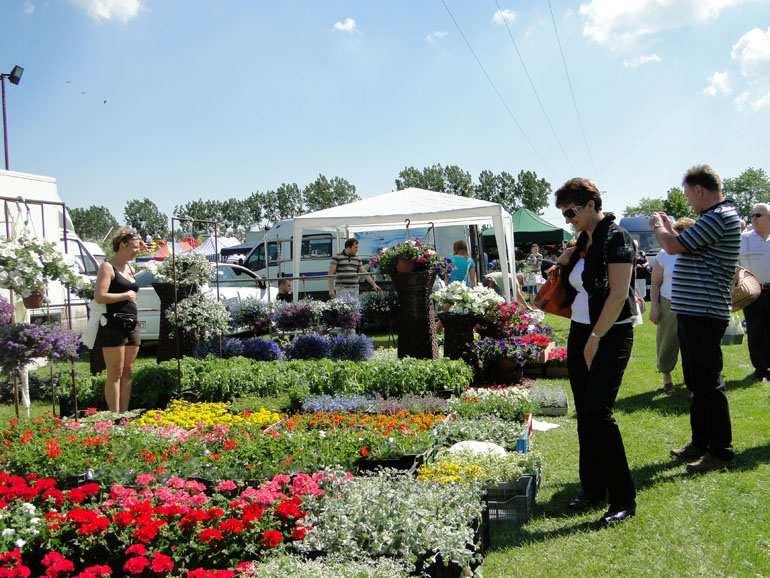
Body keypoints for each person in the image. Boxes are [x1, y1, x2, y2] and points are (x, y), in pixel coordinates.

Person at [555, 178, 638, 526]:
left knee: (599, 414)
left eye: (571, 211)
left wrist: (596, 337)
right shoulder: (585, 241)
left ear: (591, 204)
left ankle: (623, 499)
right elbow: (582, 286)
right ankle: (592, 489)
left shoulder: (616, 237)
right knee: (586, 416)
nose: (568, 218)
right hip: (582, 330)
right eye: (563, 214)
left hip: (610, 333)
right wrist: (565, 262)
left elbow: (619, 294)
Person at [650, 164, 741, 473]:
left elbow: (673, 246)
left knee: (708, 384)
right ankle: (700, 443)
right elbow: (685, 246)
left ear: (701, 190)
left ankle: (721, 451)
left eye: (689, 194)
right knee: (697, 382)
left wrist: (659, 227)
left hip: (703, 313)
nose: (688, 201)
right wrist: (670, 228)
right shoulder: (714, 218)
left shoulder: (720, 217)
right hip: (694, 311)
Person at [93, 227, 145, 413]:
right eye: (134, 246)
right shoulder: (108, 267)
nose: (138, 250)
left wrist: (140, 244)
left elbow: (143, 250)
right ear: (123, 244)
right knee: (115, 372)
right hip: (113, 325)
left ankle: (124, 415)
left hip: (132, 325)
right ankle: (113, 418)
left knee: (128, 371)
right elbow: (99, 296)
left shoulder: (130, 267)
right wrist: (126, 295)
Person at [649, 217, 696, 393]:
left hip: (693, 304)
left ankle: (693, 380)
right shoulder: (664, 254)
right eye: (679, 234)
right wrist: (654, 306)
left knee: (693, 344)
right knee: (667, 341)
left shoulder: (699, 252)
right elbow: (655, 283)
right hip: (669, 302)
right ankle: (666, 375)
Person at [739, 203, 770, 381]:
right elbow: (733, 265)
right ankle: (760, 368)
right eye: (752, 215)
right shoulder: (743, 239)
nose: (753, 218)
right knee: (756, 329)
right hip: (753, 291)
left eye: (758, 215)